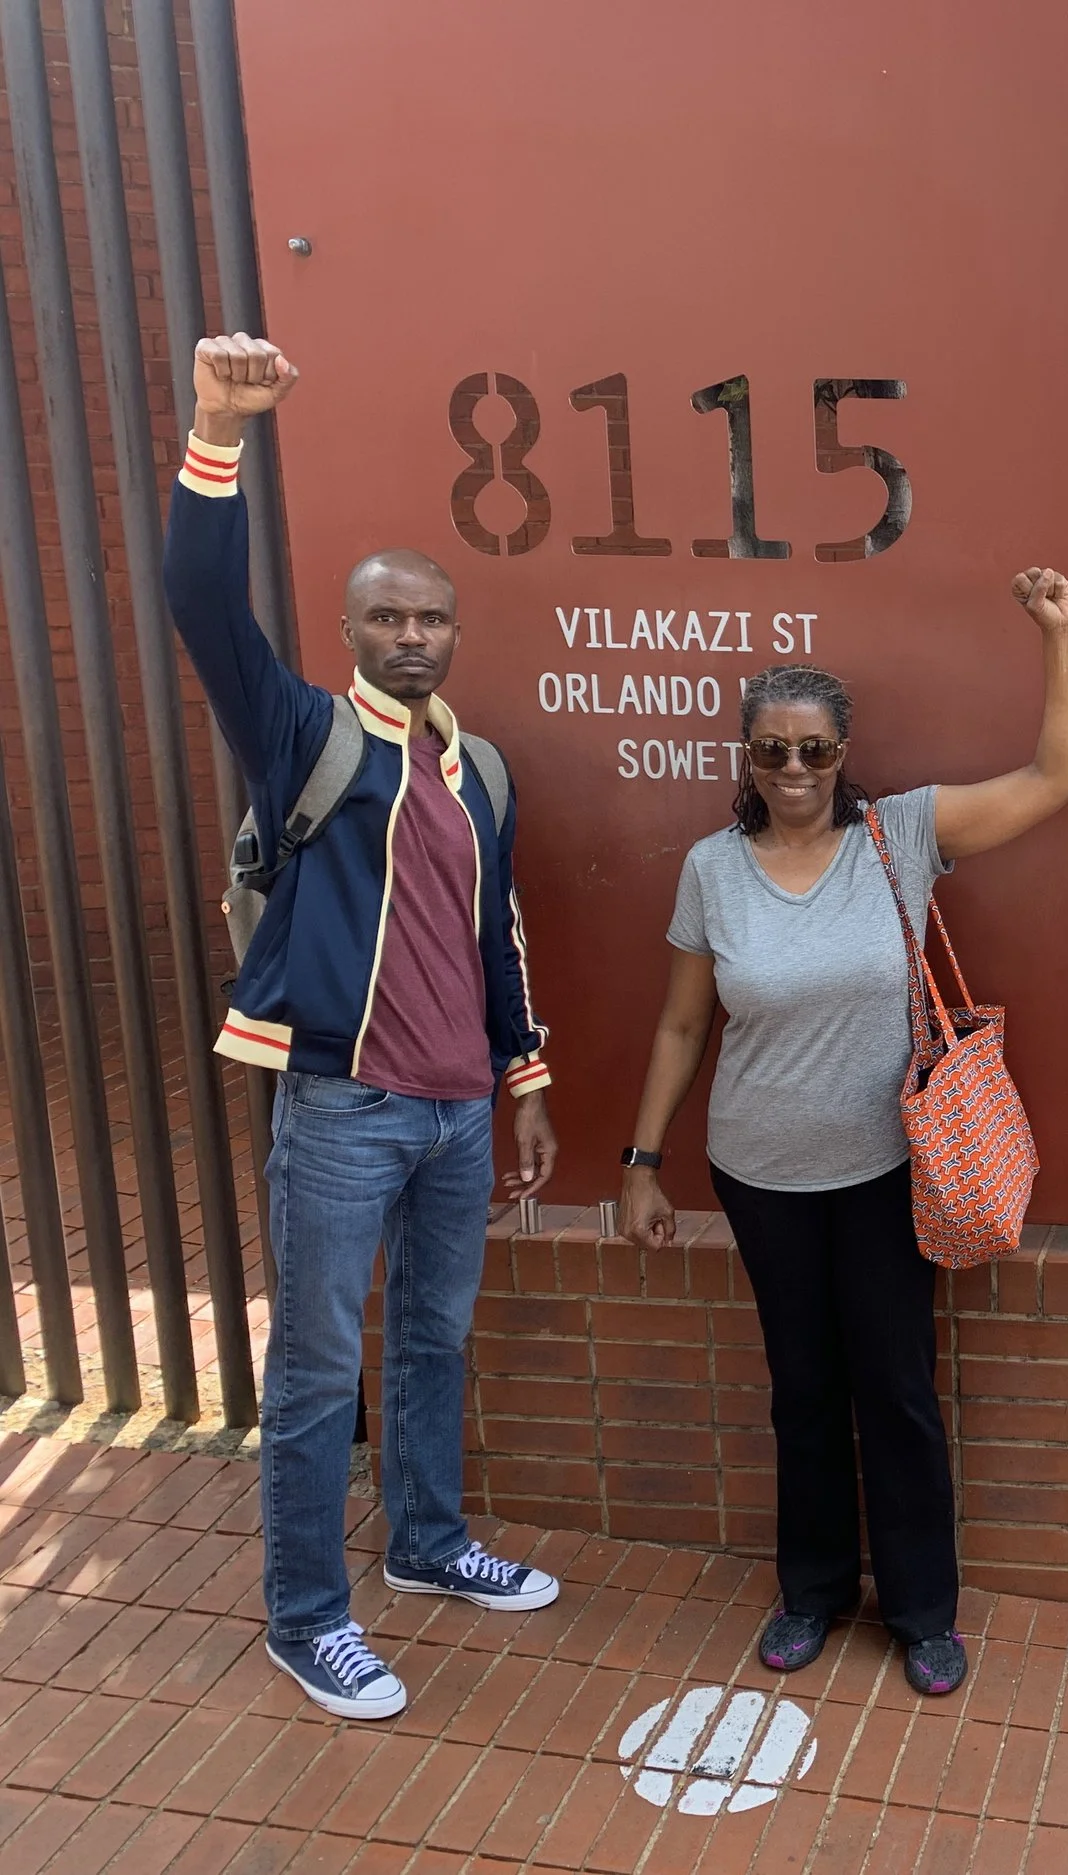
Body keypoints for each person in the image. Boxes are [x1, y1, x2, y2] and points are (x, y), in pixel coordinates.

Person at [163, 335, 561, 1722]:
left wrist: (526, 1078)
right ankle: (305, 1614)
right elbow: (204, 605)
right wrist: (219, 430)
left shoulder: (480, 767)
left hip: (457, 1112)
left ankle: (429, 1539)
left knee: (436, 1340)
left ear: (456, 633)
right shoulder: (303, 735)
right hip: (341, 1104)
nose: (410, 637)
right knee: (322, 1364)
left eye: (430, 620)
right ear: (350, 633)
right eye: (386, 617)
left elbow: (494, 935)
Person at [618, 571, 1068, 1699]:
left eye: (813, 751)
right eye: (771, 751)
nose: (792, 772)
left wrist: (1056, 635)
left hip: (883, 1171)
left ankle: (922, 1610)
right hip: (760, 1174)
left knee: (896, 1386)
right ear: (745, 756)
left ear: (843, 751)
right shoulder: (711, 871)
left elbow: (1059, 776)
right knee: (802, 1388)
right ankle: (814, 1590)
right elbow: (685, 1022)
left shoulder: (902, 834)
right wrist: (641, 1162)